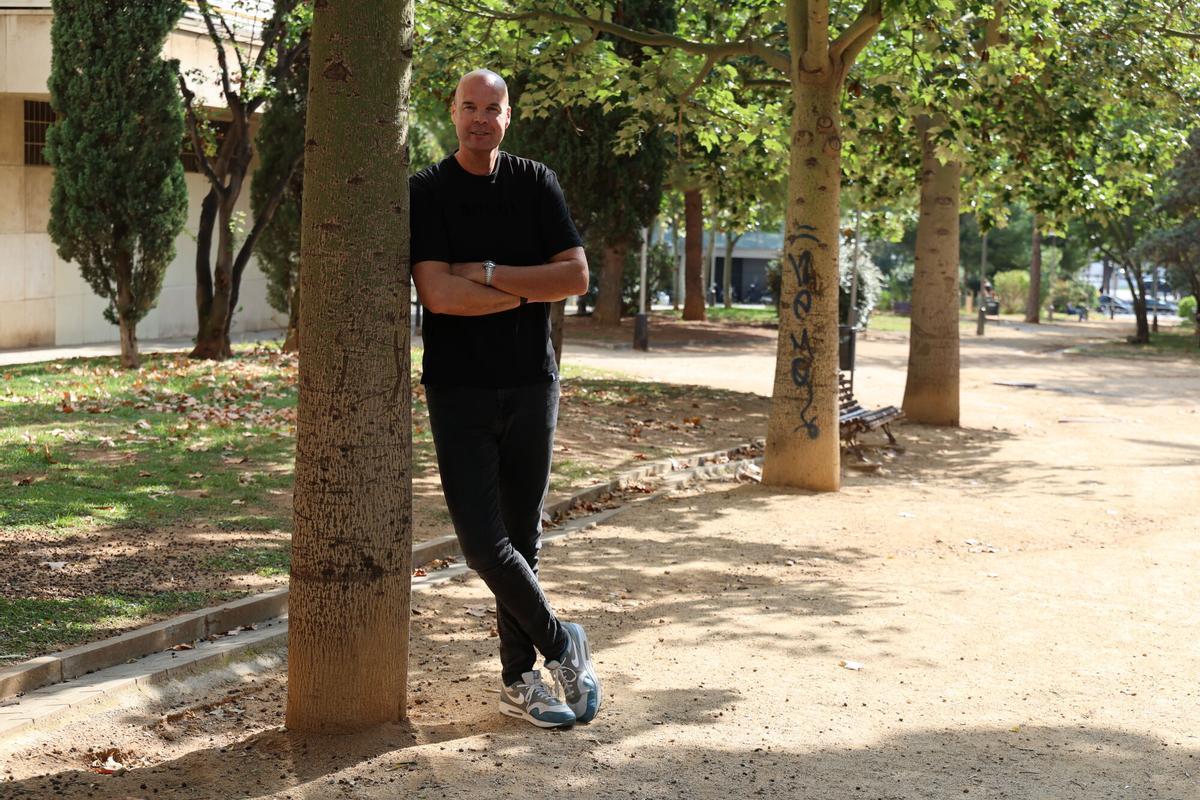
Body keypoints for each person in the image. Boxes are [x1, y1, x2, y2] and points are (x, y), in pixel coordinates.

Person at [409, 69, 601, 729]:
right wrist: (531, 287)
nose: (480, 120)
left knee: (522, 538)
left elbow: (575, 276)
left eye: (492, 109)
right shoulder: (427, 193)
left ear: (508, 116)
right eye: (469, 107)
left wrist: (490, 277)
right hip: (458, 389)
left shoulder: (535, 181)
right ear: (452, 110)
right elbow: (438, 294)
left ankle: (520, 680)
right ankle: (560, 642)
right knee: (483, 546)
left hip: (531, 382)